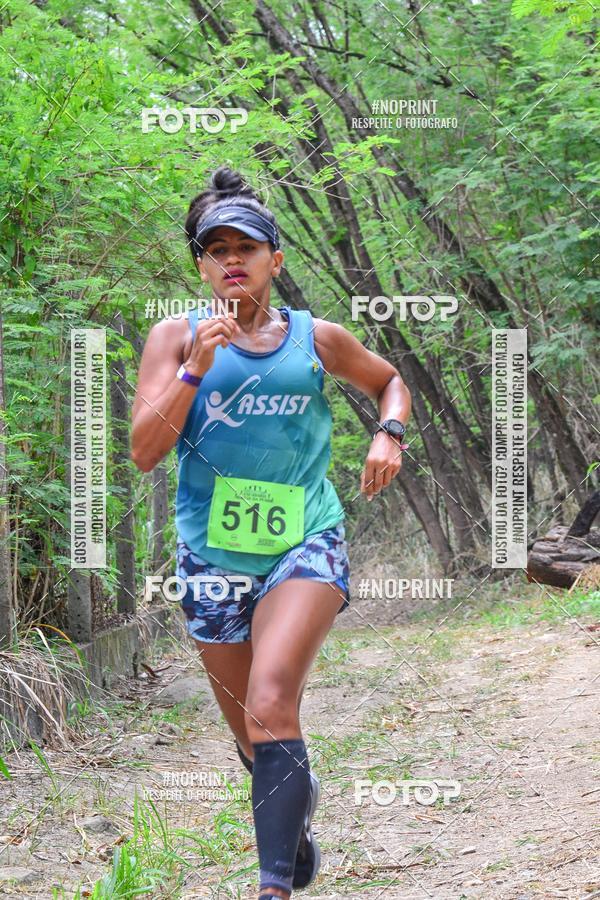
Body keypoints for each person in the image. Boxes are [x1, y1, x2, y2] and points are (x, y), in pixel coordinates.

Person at [131, 165, 411, 900]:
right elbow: (144, 452)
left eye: (246, 248)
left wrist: (388, 434)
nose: (232, 260)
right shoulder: (174, 338)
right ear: (200, 266)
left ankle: (271, 889)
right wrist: (194, 370)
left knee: (274, 696)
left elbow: (389, 381)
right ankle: (290, 811)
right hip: (211, 554)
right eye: (216, 249)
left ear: (274, 260)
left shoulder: (316, 338)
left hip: (304, 537)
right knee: (254, 735)